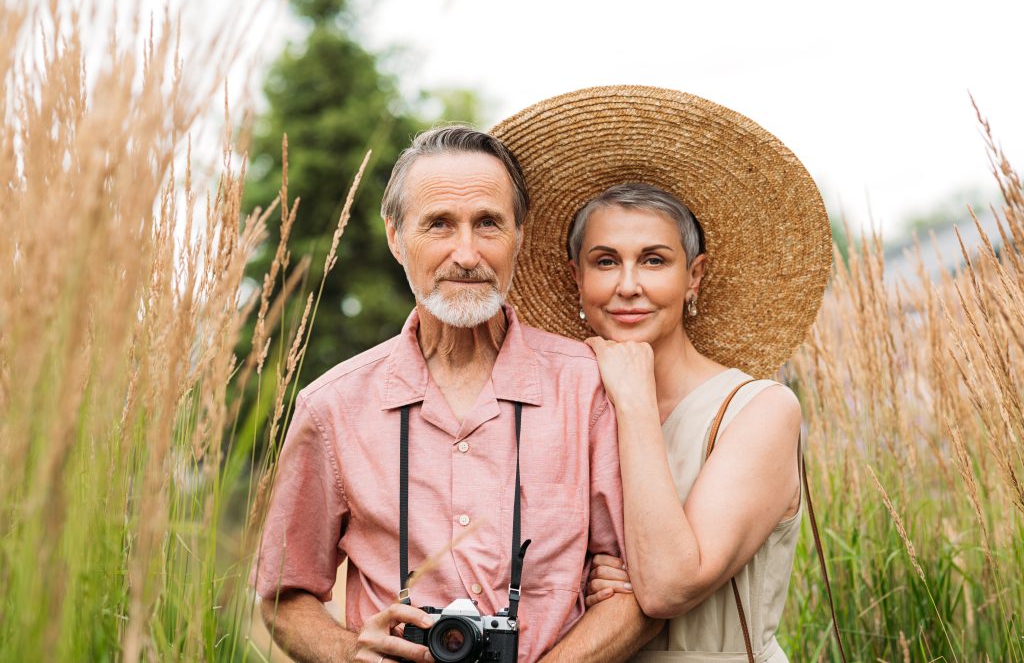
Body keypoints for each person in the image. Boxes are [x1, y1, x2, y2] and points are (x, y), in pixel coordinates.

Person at [253, 125, 662, 663]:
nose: (466, 253)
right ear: (396, 237)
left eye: (488, 223)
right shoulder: (331, 406)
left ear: (519, 233)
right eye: (439, 224)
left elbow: (644, 589)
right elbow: (283, 594)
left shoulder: (589, 388)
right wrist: (347, 654)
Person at [491, 86, 835, 662]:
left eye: (654, 260)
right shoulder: (560, 409)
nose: (628, 285)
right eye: (606, 261)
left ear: (693, 276)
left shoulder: (759, 411)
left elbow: (671, 584)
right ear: (576, 278)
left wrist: (631, 396)